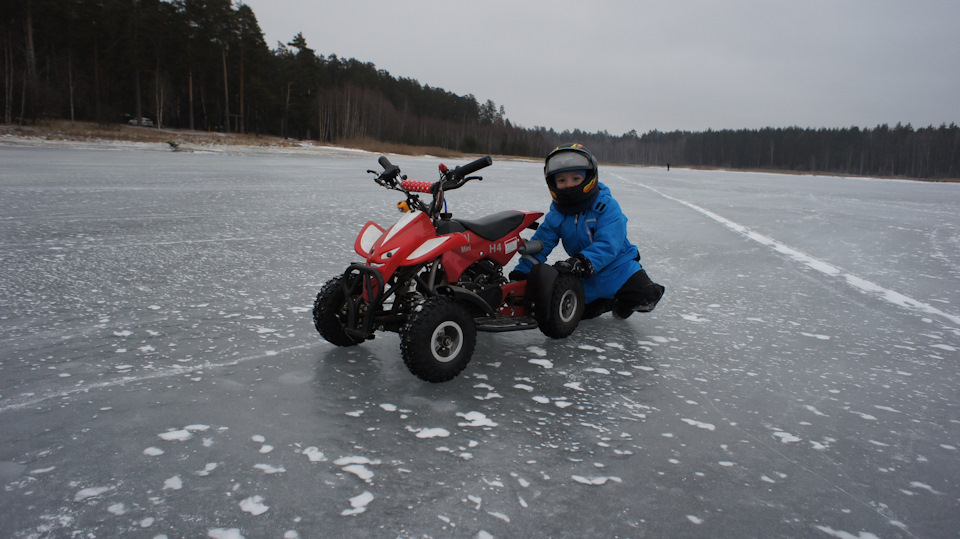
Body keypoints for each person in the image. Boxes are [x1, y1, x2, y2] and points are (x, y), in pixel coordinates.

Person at [510, 143, 665, 319]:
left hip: (619, 269)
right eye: (562, 180)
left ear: (589, 178)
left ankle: (623, 302)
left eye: (575, 178)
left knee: (646, 297)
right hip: (585, 277)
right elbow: (541, 245)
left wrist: (582, 262)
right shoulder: (557, 215)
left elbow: (609, 244)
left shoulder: (607, 207)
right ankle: (605, 303)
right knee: (569, 313)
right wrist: (522, 273)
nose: (568, 185)